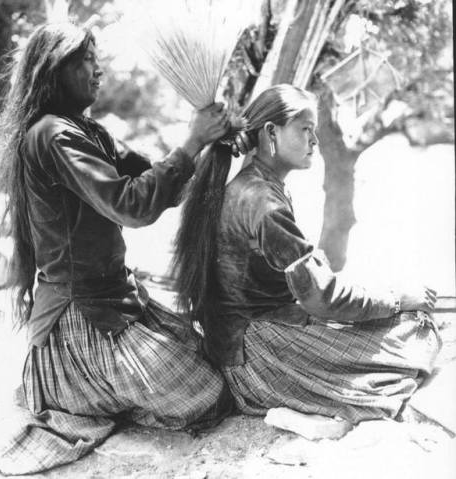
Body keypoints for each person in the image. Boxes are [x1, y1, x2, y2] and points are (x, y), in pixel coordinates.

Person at [0, 22, 249, 475]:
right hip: (79, 321)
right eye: (86, 60)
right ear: (56, 69)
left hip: (112, 302)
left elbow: (159, 181)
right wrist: (193, 140)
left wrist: (214, 146)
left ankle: (109, 392)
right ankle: (76, 390)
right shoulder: (53, 135)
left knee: (201, 354)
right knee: (207, 394)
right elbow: (132, 206)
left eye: (96, 58)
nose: (98, 70)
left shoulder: (85, 130)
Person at [172, 84, 441, 431]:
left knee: (396, 326)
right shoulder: (263, 204)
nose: (315, 140)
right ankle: (305, 413)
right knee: (417, 330)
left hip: (242, 347)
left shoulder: (254, 188)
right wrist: (396, 299)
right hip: (259, 359)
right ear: (271, 132)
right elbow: (321, 296)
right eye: (305, 129)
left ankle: (306, 409)